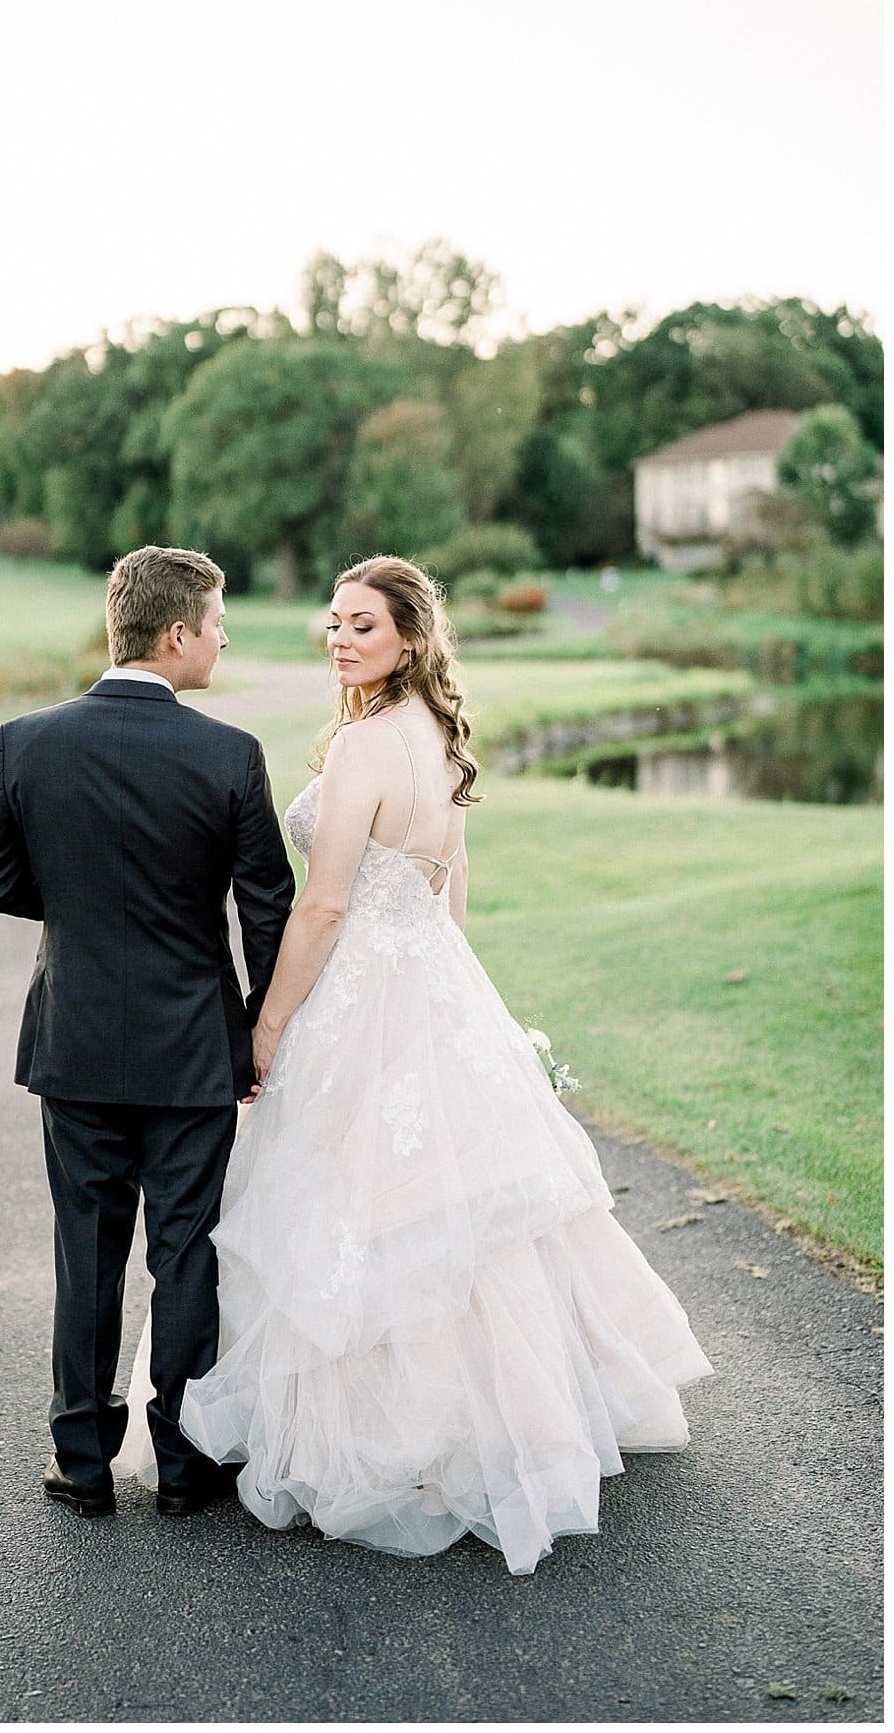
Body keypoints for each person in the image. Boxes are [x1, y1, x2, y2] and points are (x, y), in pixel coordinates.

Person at [175, 554, 714, 1573]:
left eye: (364, 626)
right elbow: (449, 885)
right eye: (333, 622)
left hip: (366, 987)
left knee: (368, 1201)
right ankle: (513, 1412)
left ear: (411, 639)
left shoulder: (366, 745)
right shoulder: (437, 737)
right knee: (452, 1205)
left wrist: (274, 1021)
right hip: (430, 974)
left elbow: (325, 905)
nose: (340, 638)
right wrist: (458, 996)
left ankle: (405, 1434)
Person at [0, 545, 295, 1519]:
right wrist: (260, 1022)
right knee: (185, 1251)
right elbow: (267, 905)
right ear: (176, 633)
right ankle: (186, 1465)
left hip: (78, 1039)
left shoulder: (27, 741)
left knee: (87, 1247)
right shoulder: (228, 754)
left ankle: (83, 1460)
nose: (225, 638)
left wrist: (80, 908)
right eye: (218, 622)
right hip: (193, 1046)